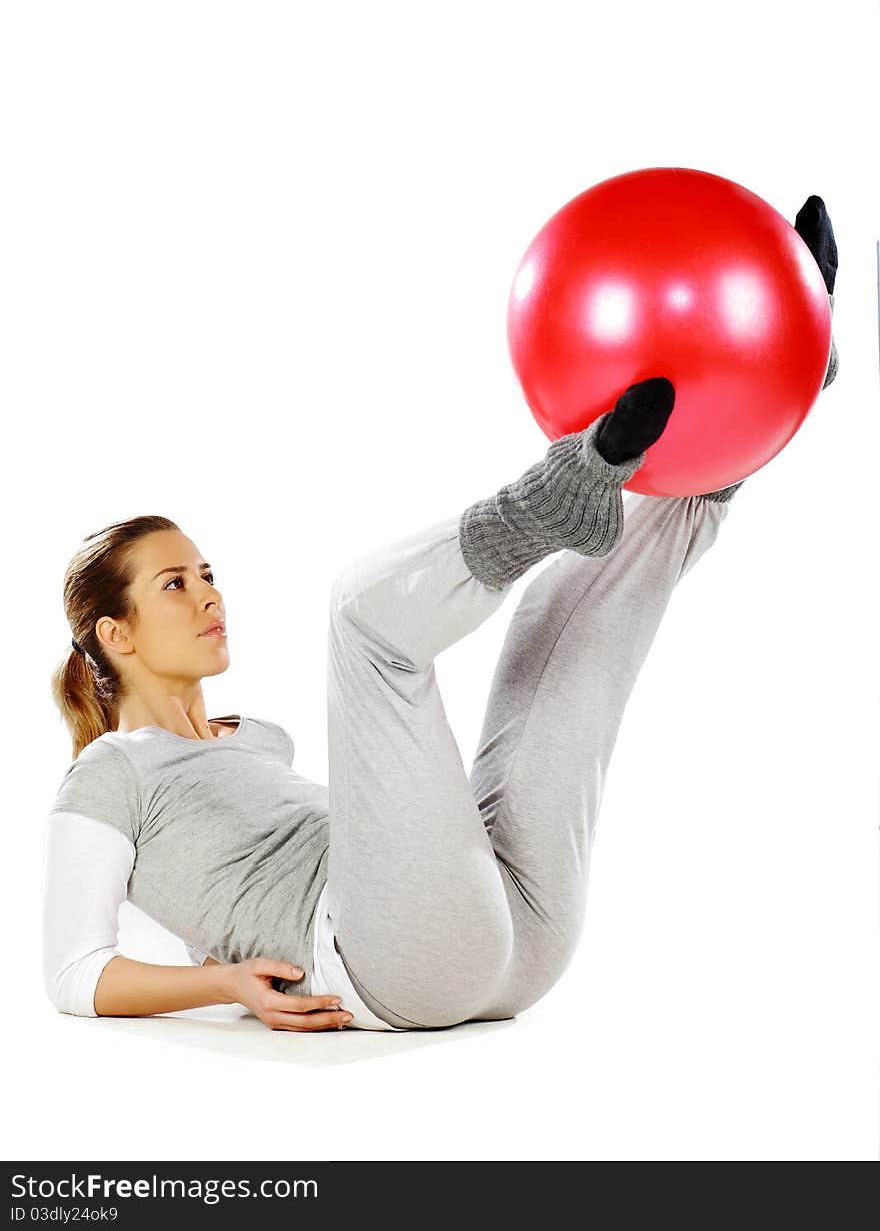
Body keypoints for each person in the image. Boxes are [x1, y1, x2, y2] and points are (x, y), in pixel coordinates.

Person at [42, 196, 839, 1034]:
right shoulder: (110, 771)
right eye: (173, 583)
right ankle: (550, 502)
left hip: (514, 933)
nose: (209, 594)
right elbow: (73, 969)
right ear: (114, 633)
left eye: (208, 573)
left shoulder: (259, 739)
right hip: (386, 960)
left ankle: (753, 414)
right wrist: (228, 984)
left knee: (554, 644)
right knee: (363, 623)